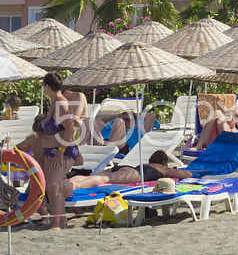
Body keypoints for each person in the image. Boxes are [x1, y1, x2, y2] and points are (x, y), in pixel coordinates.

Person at [33, 73, 86, 230]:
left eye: (43, 86)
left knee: (53, 186)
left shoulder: (61, 104)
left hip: (63, 151)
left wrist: (59, 153)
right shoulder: (54, 103)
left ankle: (57, 224)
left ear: (47, 87)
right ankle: (61, 222)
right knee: (53, 187)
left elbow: (70, 130)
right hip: (51, 152)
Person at [70, 151, 193, 189]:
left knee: (90, 177)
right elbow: (185, 173)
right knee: (103, 179)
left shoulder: (147, 164)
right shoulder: (162, 168)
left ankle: (69, 182)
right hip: (134, 174)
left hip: (126, 168)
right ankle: (75, 186)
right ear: (164, 162)